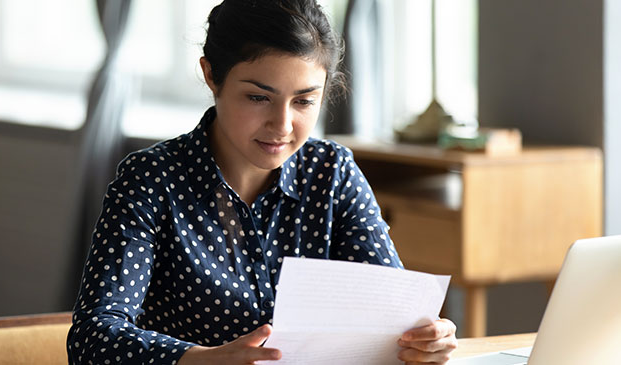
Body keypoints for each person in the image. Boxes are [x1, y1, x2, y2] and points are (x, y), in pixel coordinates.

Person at [67, 0, 458, 363]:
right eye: (258, 98)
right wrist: (199, 359)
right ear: (211, 77)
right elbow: (93, 336)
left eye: (304, 101)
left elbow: (393, 316)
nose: (282, 126)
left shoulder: (333, 173)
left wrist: (426, 337)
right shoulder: (151, 181)